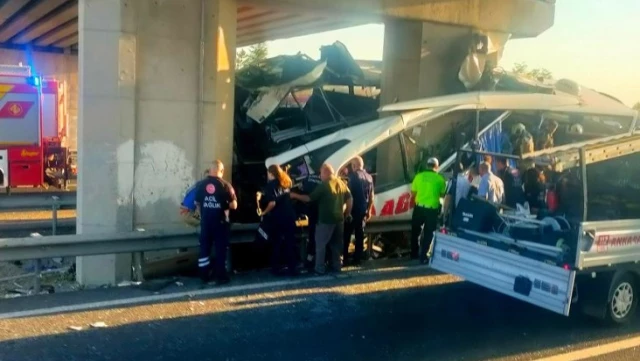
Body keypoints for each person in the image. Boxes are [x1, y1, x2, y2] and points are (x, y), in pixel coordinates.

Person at [290, 163, 352, 275]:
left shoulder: (324, 185)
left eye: (321, 173)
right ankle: (337, 266)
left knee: (320, 245)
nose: (320, 176)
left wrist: (294, 195)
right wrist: (347, 213)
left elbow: (309, 198)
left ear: (325, 172)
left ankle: (319, 268)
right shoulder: (341, 182)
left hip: (325, 220)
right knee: (336, 245)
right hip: (339, 220)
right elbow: (350, 199)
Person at [194, 160, 237, 285]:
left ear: (210, 169)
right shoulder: (226, 185)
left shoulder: (201, 185)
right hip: (220, 222)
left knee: (204, 248)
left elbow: (197, 203)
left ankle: (203, 275)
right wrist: (223, 204)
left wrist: (203, 213)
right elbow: (234, 205)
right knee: (220, 249)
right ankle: (221, 276)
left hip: (206, 222)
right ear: (221, 171)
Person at [260, 164, 299, 276]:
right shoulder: (285, 183)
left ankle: (276, 268)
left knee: (276, 243)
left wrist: (264, 212)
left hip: (278, 218)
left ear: (271, 173)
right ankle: (292, 268)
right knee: (290, 242)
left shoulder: (270, 186)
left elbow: (272, 203)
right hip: (290, 216)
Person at [410, 157, 446, 263]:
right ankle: (424, 256)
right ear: (437, 167)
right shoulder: (440, 179)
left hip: (419, 208)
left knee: (415, 231)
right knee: (429, 233)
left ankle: (414, 254)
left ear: (427, 165)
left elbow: (413, 193)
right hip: (432, 210)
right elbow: (442, 194)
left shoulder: (418, 176)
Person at [343, 156, 374, 266]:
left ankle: (345, 259)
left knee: (346, 235)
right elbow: (371, 197)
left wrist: (347, 212)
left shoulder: (351, 177)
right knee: (360, 235)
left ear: (353, 165)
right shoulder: (369, 177)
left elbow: (348, 196)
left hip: (352, 210)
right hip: (363, 211)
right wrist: (369, 210)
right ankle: (357, 259)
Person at [301, 170, 322, 269]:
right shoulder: (323, 181)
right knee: (320, 240)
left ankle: (310, 261)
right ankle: (317, 260)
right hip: (321, 212)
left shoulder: (307, 178)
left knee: (312, 237)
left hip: (311, 212)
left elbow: (304, 193)